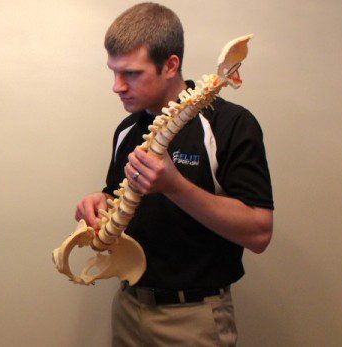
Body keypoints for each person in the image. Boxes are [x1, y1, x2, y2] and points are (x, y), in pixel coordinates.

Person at [74, 3, 274, 346]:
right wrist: (100, 201)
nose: (117, 87)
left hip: (192, 318)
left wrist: (175, 186)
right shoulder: (127, 130)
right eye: (114, 72)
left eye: (131, 74)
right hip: (128, 308)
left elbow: (259, 233)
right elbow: (118, 195)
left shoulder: (230, 124)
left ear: (170, 65)